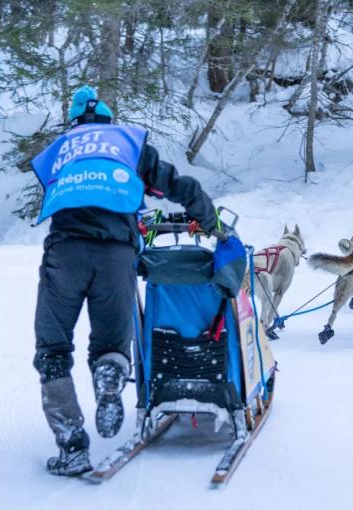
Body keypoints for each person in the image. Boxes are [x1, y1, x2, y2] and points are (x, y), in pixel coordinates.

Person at [31, 85, 221, 476]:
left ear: (74, 121)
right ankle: (111, 373)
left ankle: (72, 447)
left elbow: (59, 194)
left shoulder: (61, 149)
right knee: (110, 343)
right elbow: (179, 186)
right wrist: (211, 221)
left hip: (64, 254)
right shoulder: (128, 144)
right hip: (116, 256)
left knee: (52, 350)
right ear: (106, 119)